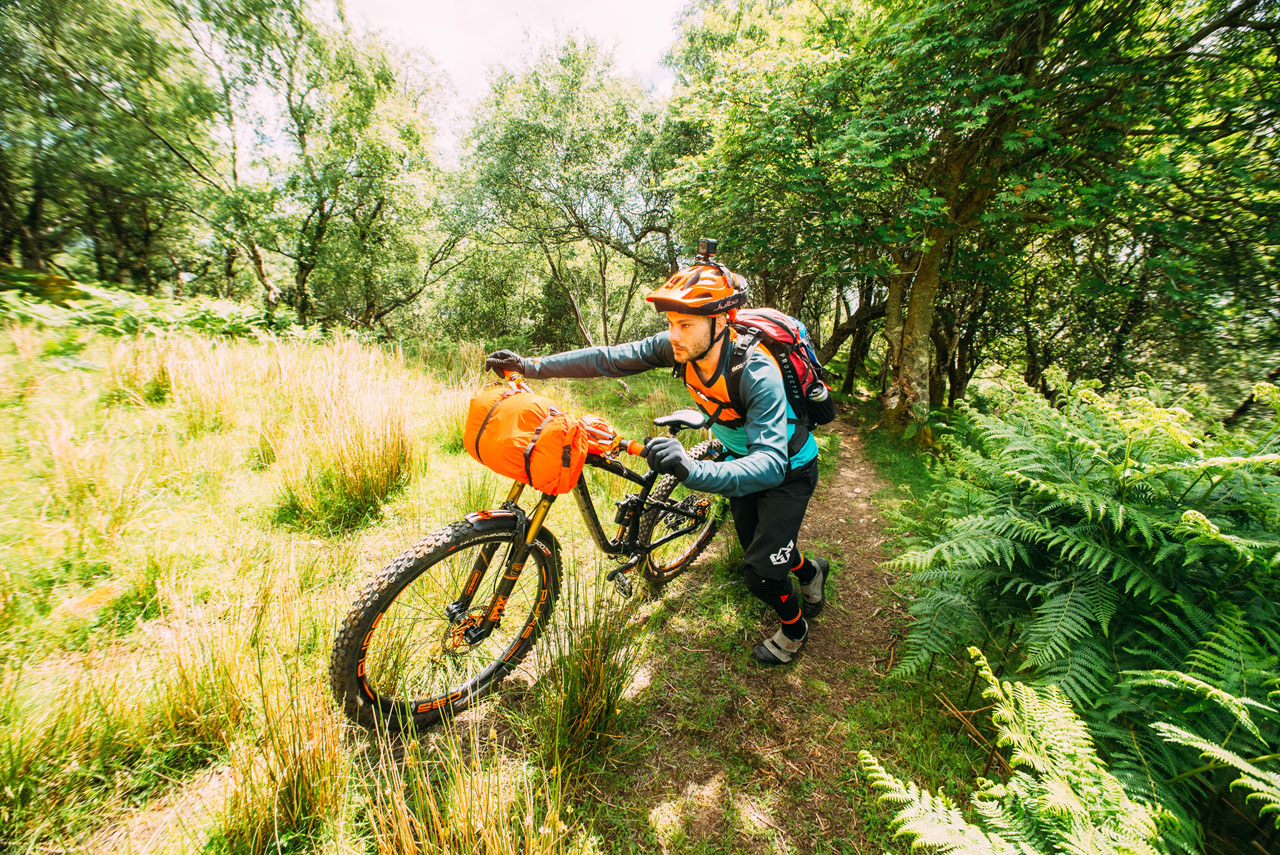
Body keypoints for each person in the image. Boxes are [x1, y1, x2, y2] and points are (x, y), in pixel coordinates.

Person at [484, 246, 829, 666]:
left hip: (787, 471)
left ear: (721, 321)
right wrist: (530, 365)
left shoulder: (756, 372)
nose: (674, 335)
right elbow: (608, 359)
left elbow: (772, 462)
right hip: (738, 461)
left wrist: (692, 467)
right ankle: (810, 572)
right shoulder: (679, 347)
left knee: (760, 571)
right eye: (670, 324)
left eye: (685, 324)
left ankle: (795, 630)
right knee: (760, 543)